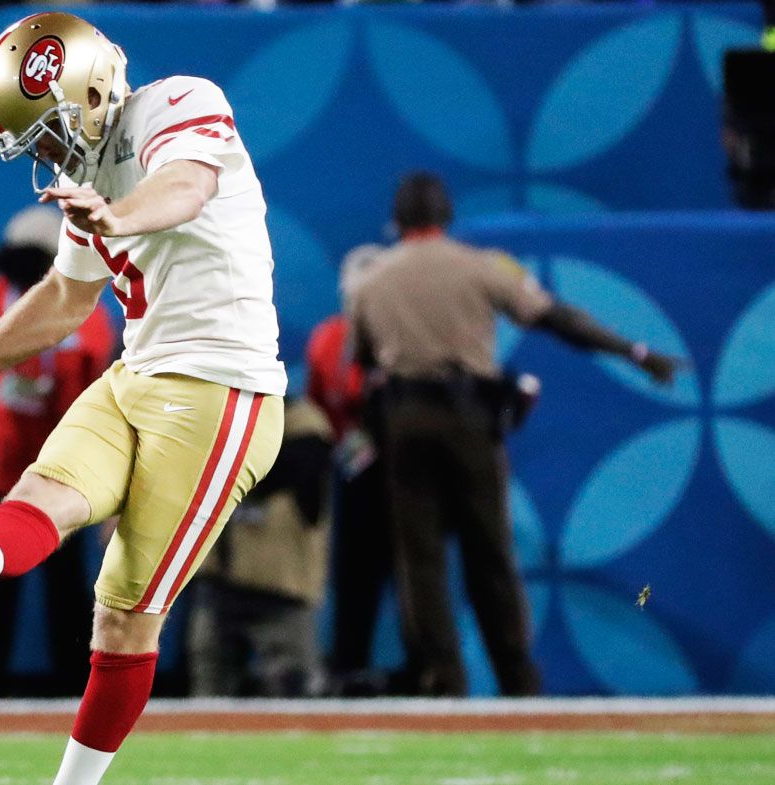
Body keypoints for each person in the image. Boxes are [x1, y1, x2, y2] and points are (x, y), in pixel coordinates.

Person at [0, 13, 285, 784]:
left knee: (124, 617)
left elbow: (189, 185)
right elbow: (65, 297)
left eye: (51, 128)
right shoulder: (91, 178)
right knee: (36, 497)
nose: (48, 151)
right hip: (138, 375)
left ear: (93, 88)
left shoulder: (176, 103)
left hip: (221, 390)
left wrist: (119, 215)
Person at [351, 172, 683, 696]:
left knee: (421, 562)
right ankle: (518, 684)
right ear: (445, 218)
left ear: (398, 222)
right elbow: (556, 318)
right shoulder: (482, 268)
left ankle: (445, 682)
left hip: (405, 422)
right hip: (468, 420)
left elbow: (363, 361)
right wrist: (633, 352)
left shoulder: (370, 281)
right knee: (490, 553)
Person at [0, 205, 114, 697]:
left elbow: (98, 389)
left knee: (66, 584)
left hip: (61, 467)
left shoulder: (87, 311)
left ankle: (71, 684)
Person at [185, 397, 333, 698]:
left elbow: (288, 468)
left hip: (280, 587)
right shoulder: (208, 414)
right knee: (209, 690)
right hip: (217, 583)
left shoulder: (304, 422)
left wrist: (227, 457)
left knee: (295, 692)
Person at [306, 245, 400, 692]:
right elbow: (323, 406)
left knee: (412, 573)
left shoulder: (407, 335)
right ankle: (347, 665)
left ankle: (426, 668)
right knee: (352, 572)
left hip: (406, 471)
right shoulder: (327, 339)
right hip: (353, 471)